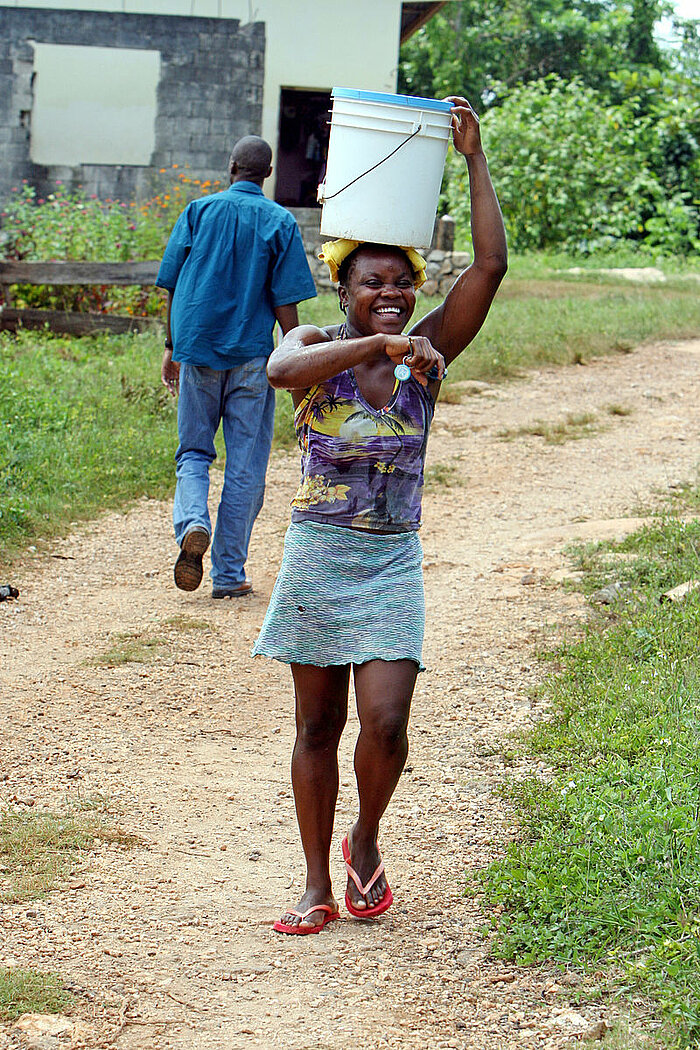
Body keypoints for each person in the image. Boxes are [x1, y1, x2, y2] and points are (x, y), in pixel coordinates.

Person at [252, 97, 508, 933]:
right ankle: (317, 882)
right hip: (319, 556)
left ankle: (367, 838)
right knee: (317, 724)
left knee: (387, 724)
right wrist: (378, 345)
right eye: (374, 283)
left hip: (390, 560)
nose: (391, 295)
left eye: (401, 283)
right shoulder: (314, 346)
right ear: (346, 288)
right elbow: (281, 375)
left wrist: (473, 158)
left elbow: (489, 270)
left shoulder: (428, 361)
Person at [156, 136, 317, 598]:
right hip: (252, 359)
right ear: (266, 174)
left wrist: (171, 347)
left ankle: (192, 523)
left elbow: (171, 284)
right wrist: (294, 364)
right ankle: (229, 575)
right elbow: (286, 302)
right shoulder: (279, 221)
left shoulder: (197, 212)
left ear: (231, 166)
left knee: (193, 454)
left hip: (197, 352)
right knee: (245, 465)